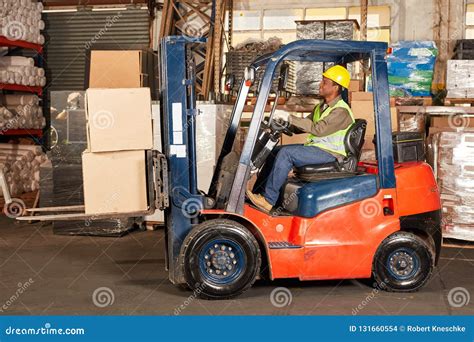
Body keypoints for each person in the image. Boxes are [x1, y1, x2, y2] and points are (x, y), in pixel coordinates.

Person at [246, 65, 355, 213]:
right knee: (275, 151)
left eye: (325, 82)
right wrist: (286, 123)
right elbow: (303, 127)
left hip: (331, 154)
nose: (320, 85)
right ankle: (259, 194)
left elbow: (318, 129)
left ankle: (268, 200)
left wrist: (290, 117)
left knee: (287, 154)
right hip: (318, 149)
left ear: (336, 87)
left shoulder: (341, 111)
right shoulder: (322, 107)